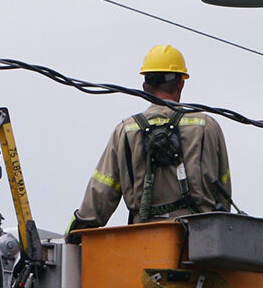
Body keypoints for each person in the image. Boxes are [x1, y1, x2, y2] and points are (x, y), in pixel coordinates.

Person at [67, 44, 231, 236]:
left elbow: (97, 201)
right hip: (200, 242)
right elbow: (223, 193)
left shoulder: (126, 131)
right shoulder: (206, 126)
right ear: (181, 84)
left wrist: (71, 236)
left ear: (145, 87)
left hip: (145, 243)